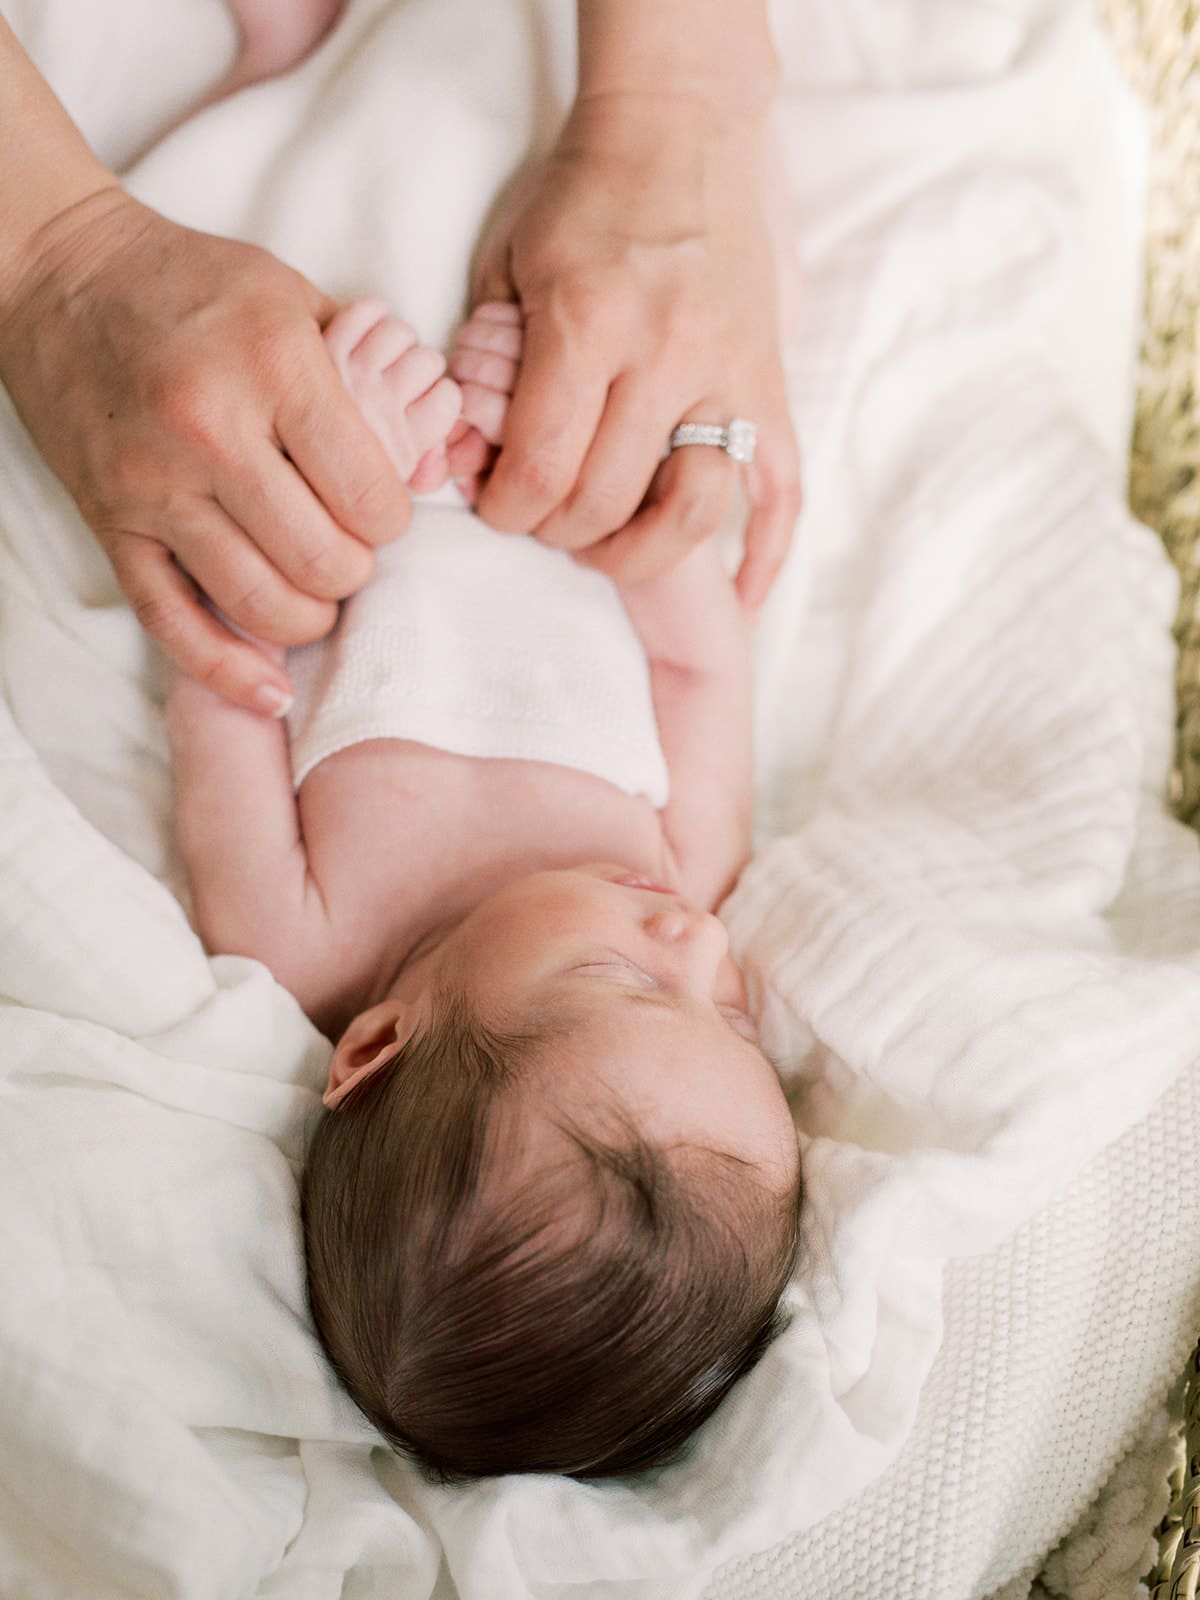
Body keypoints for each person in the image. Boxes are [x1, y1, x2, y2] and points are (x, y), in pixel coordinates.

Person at [166, 292, 804, 1479]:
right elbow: (700, 660)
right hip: (572, 457)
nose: (697, 939)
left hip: (348, 427)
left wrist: (343, 459)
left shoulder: (298, 934)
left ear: (375, 1046)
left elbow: (220, 665)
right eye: (731, 1017)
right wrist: (590, 492)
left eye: (629, 978)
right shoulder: (681, 871)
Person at [0, 0, 801, 718]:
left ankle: (286, 69)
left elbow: (235, 708)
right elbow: (706, 697)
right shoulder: (676, 865)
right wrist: (51, 253)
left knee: (269, 344)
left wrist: (671, 110)